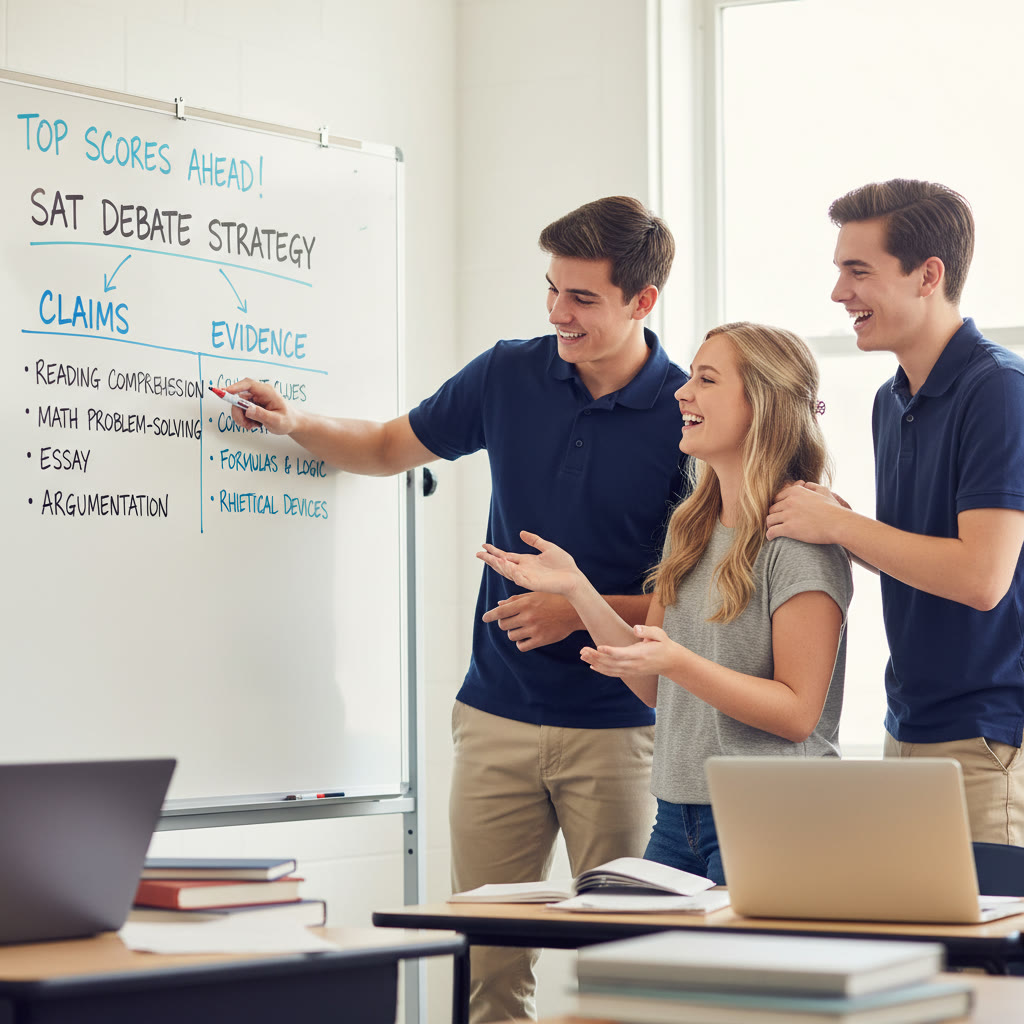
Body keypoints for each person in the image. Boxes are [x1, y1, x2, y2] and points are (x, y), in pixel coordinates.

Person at [224, 196, 688, 1022]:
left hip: (622, 732)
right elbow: (382, 446)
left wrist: (579, 609)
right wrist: (294, 421)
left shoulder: (684, 415)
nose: (558, 314)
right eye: (552, 290)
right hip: (494, 717)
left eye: (582, 298)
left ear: (641, 301)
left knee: (628, 974)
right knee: (485, 967)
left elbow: (702, 600)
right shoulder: (511, 372)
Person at [479, 322, 853, 883]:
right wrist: (576, 588)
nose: (683, 392)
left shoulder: (798, 536)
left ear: (762, 405)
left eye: (707, 380)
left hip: (771, 814)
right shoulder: (691, 526)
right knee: (648, 972)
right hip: (677, 820)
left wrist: (677, 660)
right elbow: (655, 685)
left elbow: (798, 715)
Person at [765, 178, 1024, 844]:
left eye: (859, 271)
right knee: (914, 950)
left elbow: (980, 578)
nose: (838, 293)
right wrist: (841, 526)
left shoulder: (997, 389)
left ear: (927, 276)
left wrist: (843, 527)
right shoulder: (892, 397)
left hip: (987, 738)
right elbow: (920, 555)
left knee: (982, 952)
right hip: (907, 727)